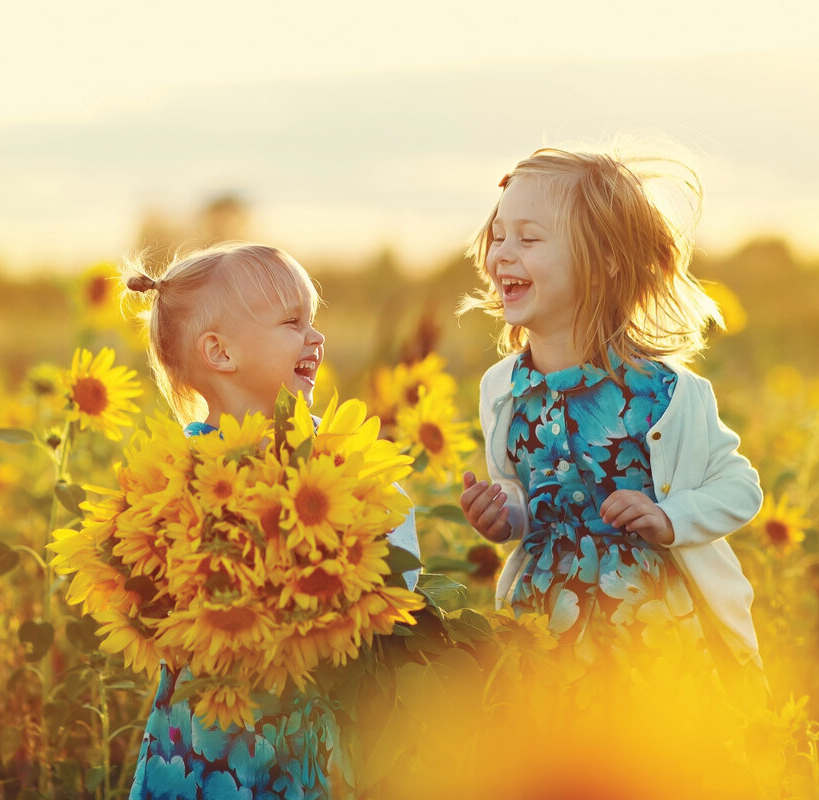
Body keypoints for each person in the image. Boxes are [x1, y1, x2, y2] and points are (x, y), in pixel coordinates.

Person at [122, 242, 421, 800]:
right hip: (207, 725)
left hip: (304, 708)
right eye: (292, 322)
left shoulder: (333, 459)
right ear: (220, 352)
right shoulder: (177, 480)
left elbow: (401, 568)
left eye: (313, 321)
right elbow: (147, 592)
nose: (315, 337)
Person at [456, 146, 763, 675]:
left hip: (651, 633)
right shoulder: (503, 389)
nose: (503, 253)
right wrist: (503, 513)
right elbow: (521, 493)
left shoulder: (667, 394)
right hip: (545, 629)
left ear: (604, 261)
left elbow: (740, 487)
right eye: (499, 235)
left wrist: (670, 518)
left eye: (529, 238)